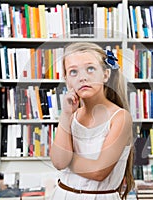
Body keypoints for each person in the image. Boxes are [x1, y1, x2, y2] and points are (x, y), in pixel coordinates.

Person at [50, 42, 134, 200]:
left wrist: (67, 158)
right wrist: (66, 115)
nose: (83, 77)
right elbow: (59, 162)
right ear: (67, 81)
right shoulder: (71, 116)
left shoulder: (120, 118)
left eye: (90, 69)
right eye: (73, 72)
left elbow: (98, 171)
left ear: (105, 74)